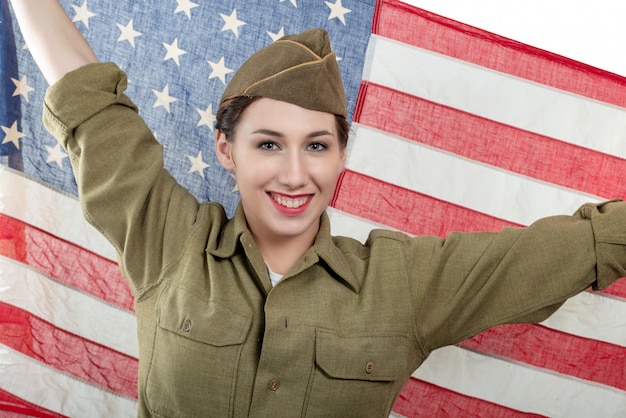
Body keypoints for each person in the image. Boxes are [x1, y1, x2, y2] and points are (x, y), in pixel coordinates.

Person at [9, 0, 626, 416]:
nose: (295, 173)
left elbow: (585, 246)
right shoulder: (168, 240)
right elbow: (89, 104)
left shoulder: (402, 285)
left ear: (340, 156)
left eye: (317, 146)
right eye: (269, 144)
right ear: (227, 150)